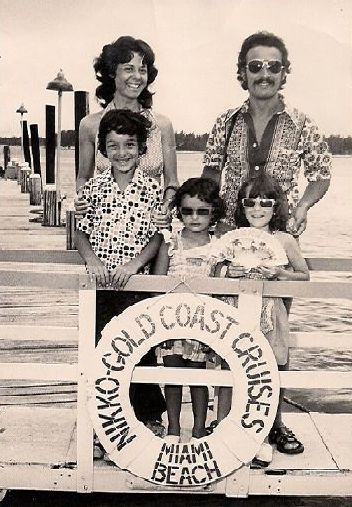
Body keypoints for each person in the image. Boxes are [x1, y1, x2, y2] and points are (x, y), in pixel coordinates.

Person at [75, 109, 166, 437]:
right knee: (104, 352)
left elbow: (158, 237)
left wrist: (133, 265)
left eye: (130, 145)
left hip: (134, 284)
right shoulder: (93, 189)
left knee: (140, 349)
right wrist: (93, 262)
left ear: (142, 148)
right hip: (101, 286)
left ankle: (149, 416)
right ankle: (104, 424)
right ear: (103, 150)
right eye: (113, 146)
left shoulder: (152, 190)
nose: (122, 153)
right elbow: (80, 233)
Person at [214, 173, 309, 464]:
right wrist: (228, 272)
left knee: (264, 374)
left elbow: (303, 276)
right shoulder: (231, 238)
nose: (257, 209)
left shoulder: (284, 240)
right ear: (241, 207)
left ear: (276, 206)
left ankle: (263, 436)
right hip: (236, 313)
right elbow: (213, 270)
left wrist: (280, 274)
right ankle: (224, 432)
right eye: (250, 203)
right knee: (230, 371)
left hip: (270, 317)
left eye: (265, 203)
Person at [202, 31, 331, 236]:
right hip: (229, 233)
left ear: (283, 73)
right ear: (243, 74)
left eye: (273, 67)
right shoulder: (225, 122)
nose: (265, 75)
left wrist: (302, 207)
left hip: (280, 233)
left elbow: (321, 176)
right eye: (255, 67)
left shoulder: (304, 124)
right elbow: (211, 175)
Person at [153, 178, 225, 443]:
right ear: (179, 212)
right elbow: (157, 283)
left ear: (213, 212)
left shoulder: (219, 247)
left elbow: (220, 286)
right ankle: (172, 428)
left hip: (202, 324)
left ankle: (198, 429)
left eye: (202, 211)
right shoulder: (170, 242)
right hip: (171, 322)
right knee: (172, 376)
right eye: (187, 211)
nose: (194, 217)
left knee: (198, 377)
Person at [76, 35, 179, 220]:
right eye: (129, 69)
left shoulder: (162, 125)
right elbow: (84, 178)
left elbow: (171, 182)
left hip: (151, 226)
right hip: (106, 225)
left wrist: (166, 209)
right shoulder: (89, 125)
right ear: (111, 73)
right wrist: (82, 199)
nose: (137, 77)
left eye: (142, 70)